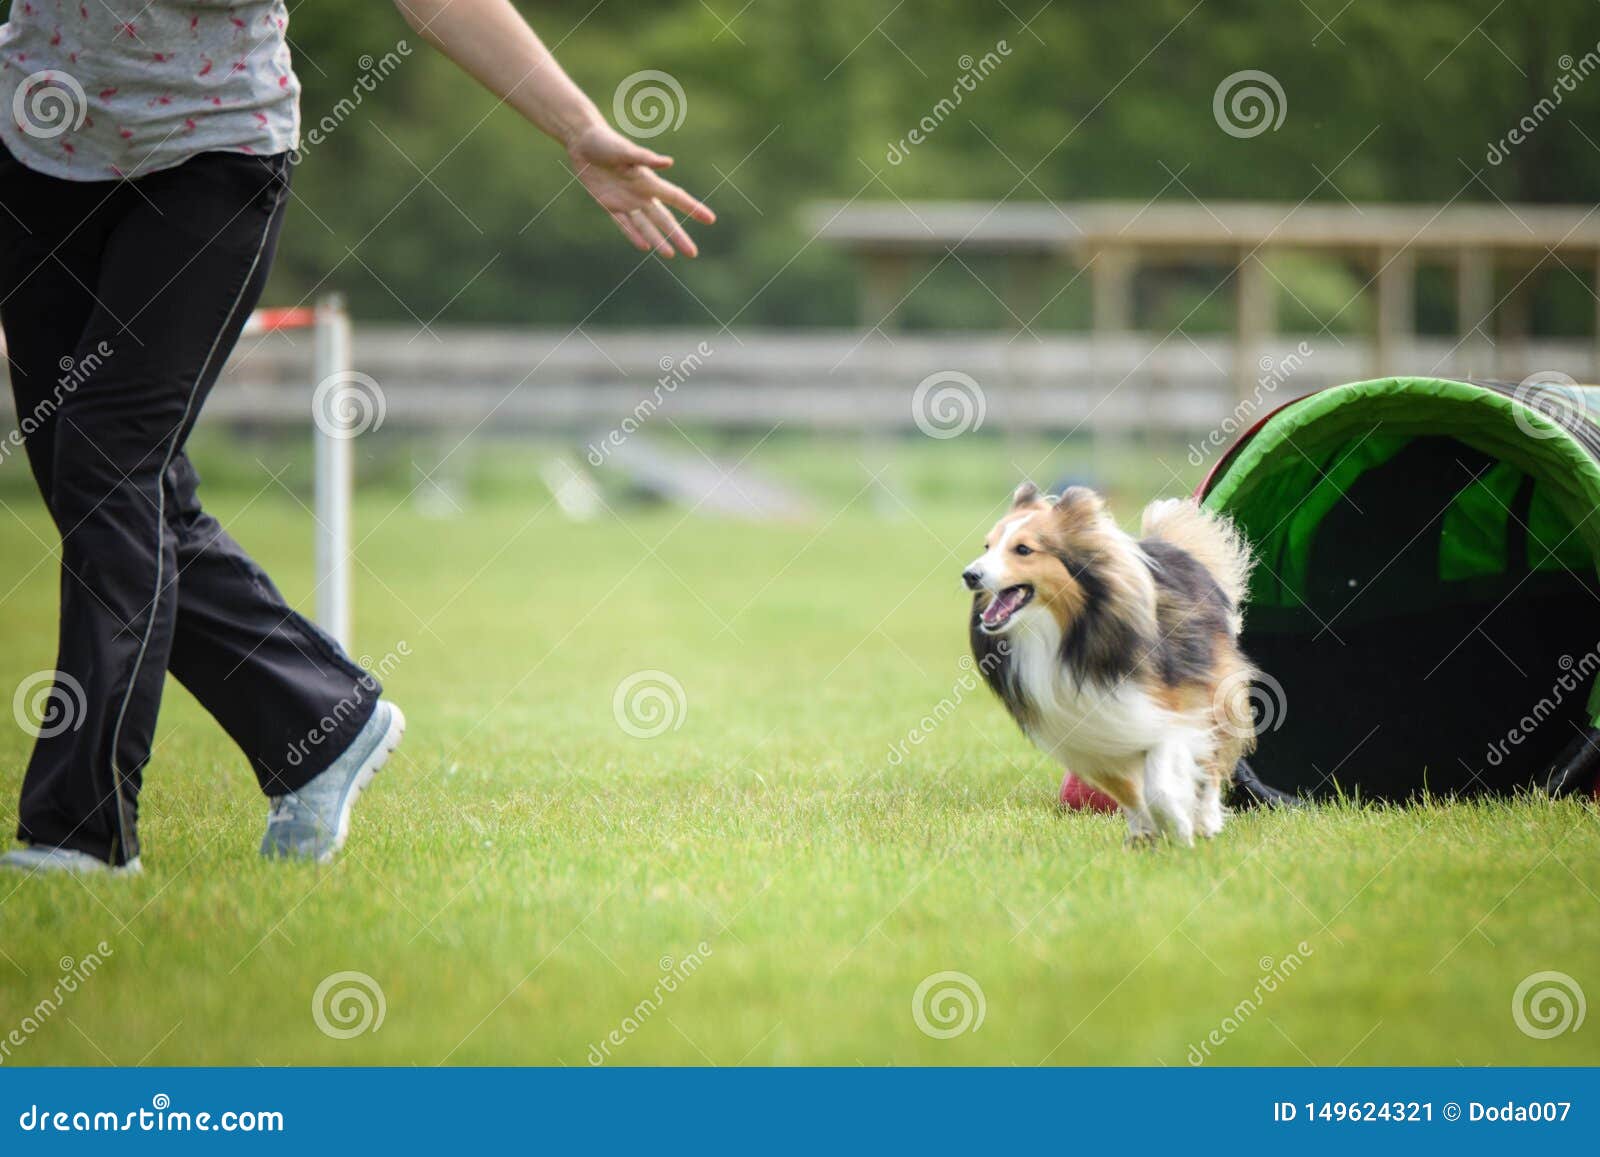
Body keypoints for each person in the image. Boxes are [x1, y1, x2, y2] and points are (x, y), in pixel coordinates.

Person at [0, 0, 714, 875]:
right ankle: (319, 721)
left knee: (107, 457)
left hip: (212, 154)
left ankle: (81, 830)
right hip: (39, 146)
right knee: (95, 473)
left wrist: (579, 128)